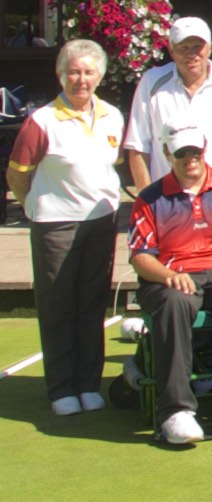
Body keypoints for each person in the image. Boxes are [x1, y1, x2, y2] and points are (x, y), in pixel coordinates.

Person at [128, 124, 212, 445]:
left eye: (195, 151)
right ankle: (175, 411)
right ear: (168, 154)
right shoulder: (150, 198)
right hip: (170, 276)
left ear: (204, 149)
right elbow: (140, 257)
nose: (190, 158)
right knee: (175, 302)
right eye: (181, 153)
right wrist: (167, 275)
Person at [6, 39, 123, 416]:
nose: (81, 79)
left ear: (100, 76)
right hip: (55, 224)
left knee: (91, 305)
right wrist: (32, 205)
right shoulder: (41, 121)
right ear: (60, 76)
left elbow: (112, 165)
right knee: (59, 307)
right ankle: (61, 389)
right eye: (73, 72)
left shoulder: (112, 116)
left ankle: (88, 384)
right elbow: (17, 175)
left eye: (88, 72)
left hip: (101, 222)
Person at [124, 17, 212, 189]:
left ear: (210, 48)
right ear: (171, 51)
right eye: (183, 47)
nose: (191, 54)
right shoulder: (151, 82)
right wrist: (147, 199)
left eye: (198, 46)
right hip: (165, 197)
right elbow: (138, 147)